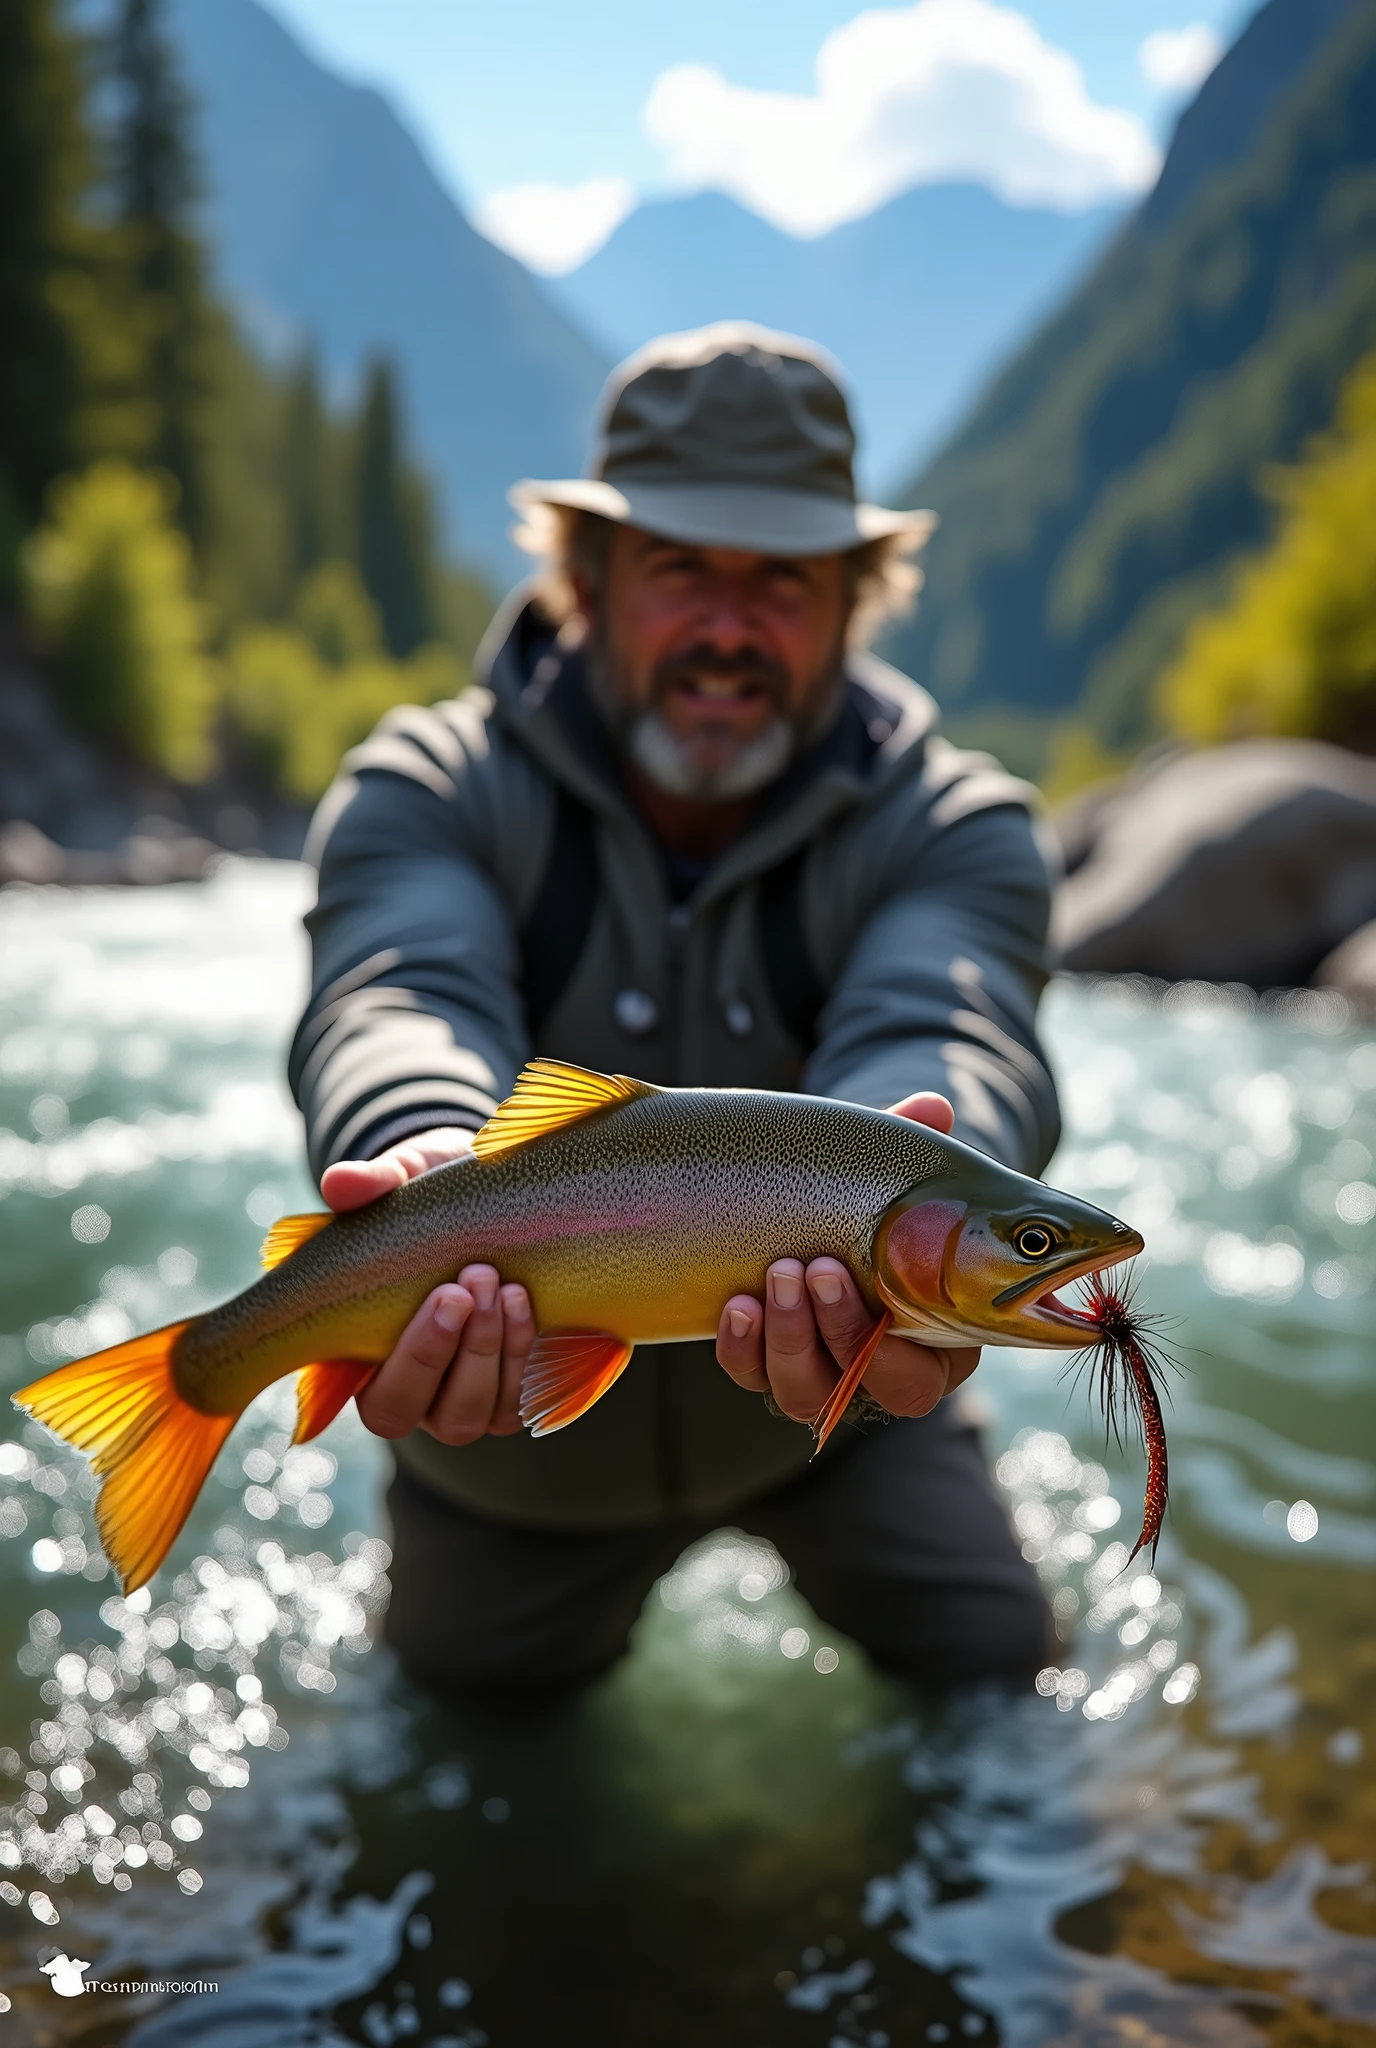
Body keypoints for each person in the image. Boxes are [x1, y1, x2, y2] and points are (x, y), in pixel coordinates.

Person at [290, 323, 1060, 1696]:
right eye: (680, 569)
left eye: (782, 581)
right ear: (585, 580)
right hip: (508, 1440)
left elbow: (952, 1028)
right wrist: (423, 1146)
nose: (726, 627)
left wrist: (919, 1177)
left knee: (1004, 1675)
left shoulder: (957, 826)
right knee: (460, 1743)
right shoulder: (426, 787)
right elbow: (401, 995)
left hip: (846, 1404)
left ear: (853, 601)